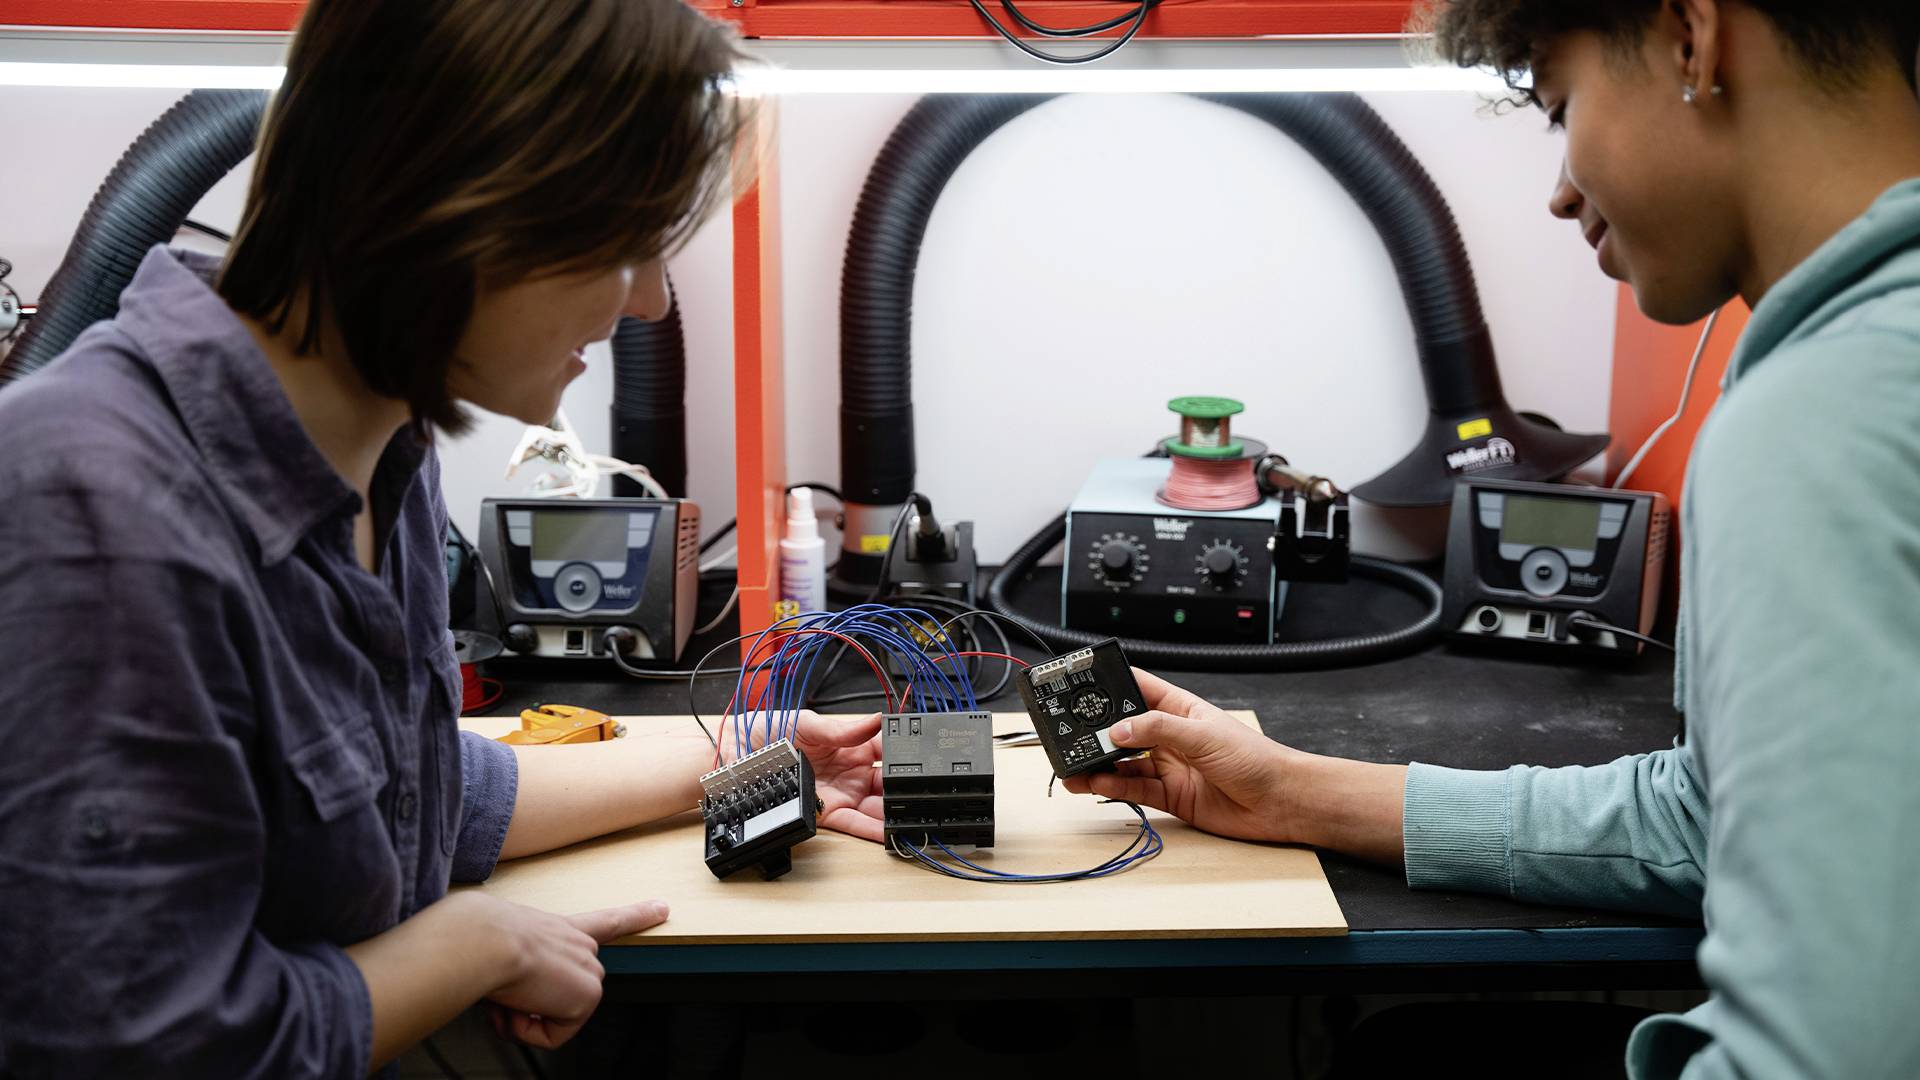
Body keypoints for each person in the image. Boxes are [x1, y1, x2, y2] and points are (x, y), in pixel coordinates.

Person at [0, 0, 886, 1075]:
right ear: (473, 211)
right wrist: (473, 945)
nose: (650, 302)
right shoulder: (91, 514)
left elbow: (404, 794)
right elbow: (144, 1044)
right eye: (631, 247)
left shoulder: (384, 451)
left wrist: (741, 754)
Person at [1065, 1, 1920, 1076]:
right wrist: (1288, 789)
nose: (1561, 191)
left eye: (1561, 109)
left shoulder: (1832, 410)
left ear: (1692, 38)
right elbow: (1708, 818)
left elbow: (1832, 1055)